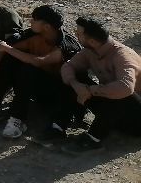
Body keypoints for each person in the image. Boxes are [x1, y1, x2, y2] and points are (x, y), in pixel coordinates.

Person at [0, 4, 82, 140]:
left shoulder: (66, 45)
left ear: (46, 26)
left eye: (34, 19)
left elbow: (39, 61)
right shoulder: (32, 34)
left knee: (28, 67)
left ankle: (18, 119)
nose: (30, 21)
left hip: (58, 93)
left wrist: (8, 49)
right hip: (35, 84)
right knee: (10, 59)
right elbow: (1, 47)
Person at [59, 16, 141, 150]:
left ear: (91, 40)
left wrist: (90, 90)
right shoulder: (90, 51)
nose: (75, 36)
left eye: (78, 34)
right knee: (75, 77)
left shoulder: (123, 56)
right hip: (113, 112)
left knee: (121, 92)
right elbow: (68, 67)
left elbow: (126, 88)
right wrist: (76, 85)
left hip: (136, 118)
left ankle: (93, 139)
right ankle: (60, 125)